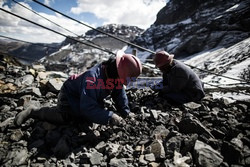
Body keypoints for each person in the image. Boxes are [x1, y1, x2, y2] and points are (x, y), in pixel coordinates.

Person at [15, 50, 142, 126]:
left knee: (90, 115)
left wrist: (126, 112)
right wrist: (110, 117)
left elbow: (119, 93)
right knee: (65, 117)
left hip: (86, 94)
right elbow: (87, 108)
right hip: (70, 94)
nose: (121, 83)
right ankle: (33, 111)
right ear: (117, 72)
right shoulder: (92, 79)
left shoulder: (114, 74)